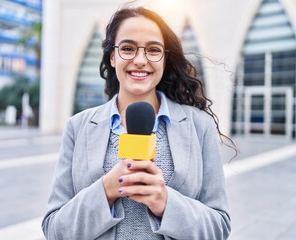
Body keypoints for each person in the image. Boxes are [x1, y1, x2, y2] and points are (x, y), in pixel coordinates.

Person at [42, 6, 232, 240]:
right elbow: (54, 230)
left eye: (153, 50)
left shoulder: (199, 126)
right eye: (128, 48)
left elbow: (219, 228)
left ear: (164, 58)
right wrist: (106, 190)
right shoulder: (78, 127)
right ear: (112, 57)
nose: (140, 60)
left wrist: (166, 203)